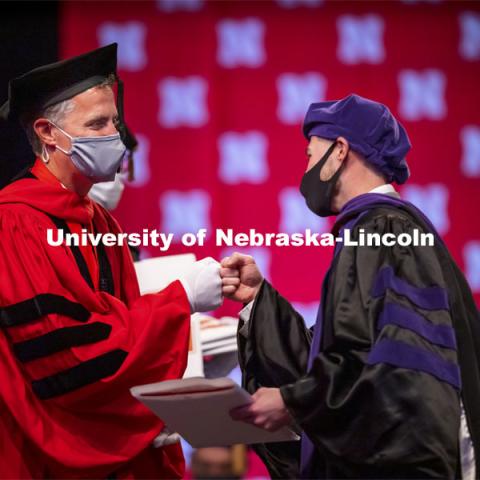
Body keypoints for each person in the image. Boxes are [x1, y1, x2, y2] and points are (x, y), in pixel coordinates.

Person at [220, 94, 480, 479]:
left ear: (340, 150)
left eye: (310, 155)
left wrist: (293, 401)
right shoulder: (377, 230)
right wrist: (258, 301)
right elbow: (345, 354)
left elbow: (393, 367)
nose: (306, 169)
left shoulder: (384, 229)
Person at [0, 43, 222, 478]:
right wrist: (180, 302)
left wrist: (150, 411)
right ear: (48, 133)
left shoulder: (101, 221)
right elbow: (64, 360)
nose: (115, 137)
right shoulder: (15, 224)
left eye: (114, 122)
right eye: (97, 123)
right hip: (44, 457)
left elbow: (116, 330)